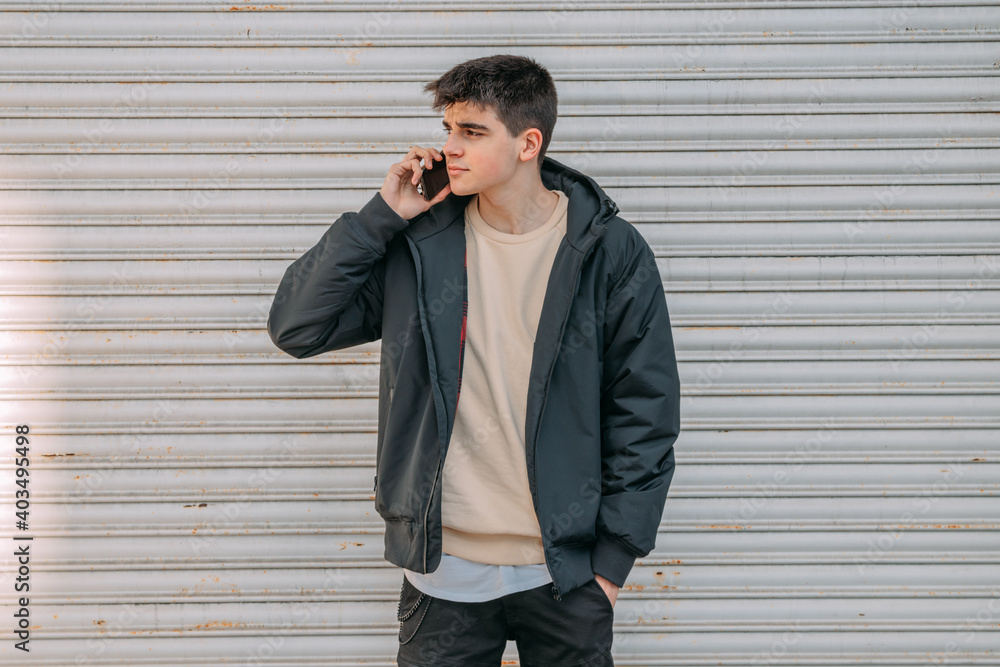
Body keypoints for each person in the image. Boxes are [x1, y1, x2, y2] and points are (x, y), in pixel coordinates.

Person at [267, 54, 680, 667]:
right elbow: (297, 327)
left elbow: (645, 411)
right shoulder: (420, 243)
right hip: (444, 570)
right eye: (448, 129)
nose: (450, 148)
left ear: (527, 144)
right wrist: (383, 215)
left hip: (565, 573)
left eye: (472, 131)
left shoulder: (608, 251)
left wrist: (611, 565)